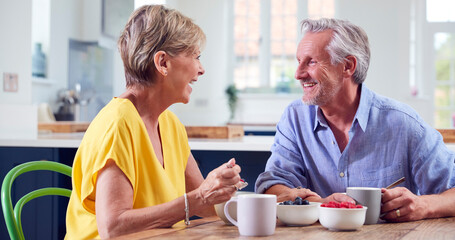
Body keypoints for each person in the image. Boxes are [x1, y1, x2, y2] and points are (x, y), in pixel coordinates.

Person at [65, 5, 242, 239]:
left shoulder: (170, 124)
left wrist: (221, 189)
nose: (201, 69)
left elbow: (205, 208)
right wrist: (199, 197)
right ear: (163, 63)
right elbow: (112, 227)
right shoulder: (118, 125)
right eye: (196, 56)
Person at [255, 18, 455, 222]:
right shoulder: (294, 118)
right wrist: (320, 203)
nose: (298, 74)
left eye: (311, 61)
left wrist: (424, 205)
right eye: (299, 61)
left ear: (348, 66)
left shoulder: (404, 124)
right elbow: (275, 183)